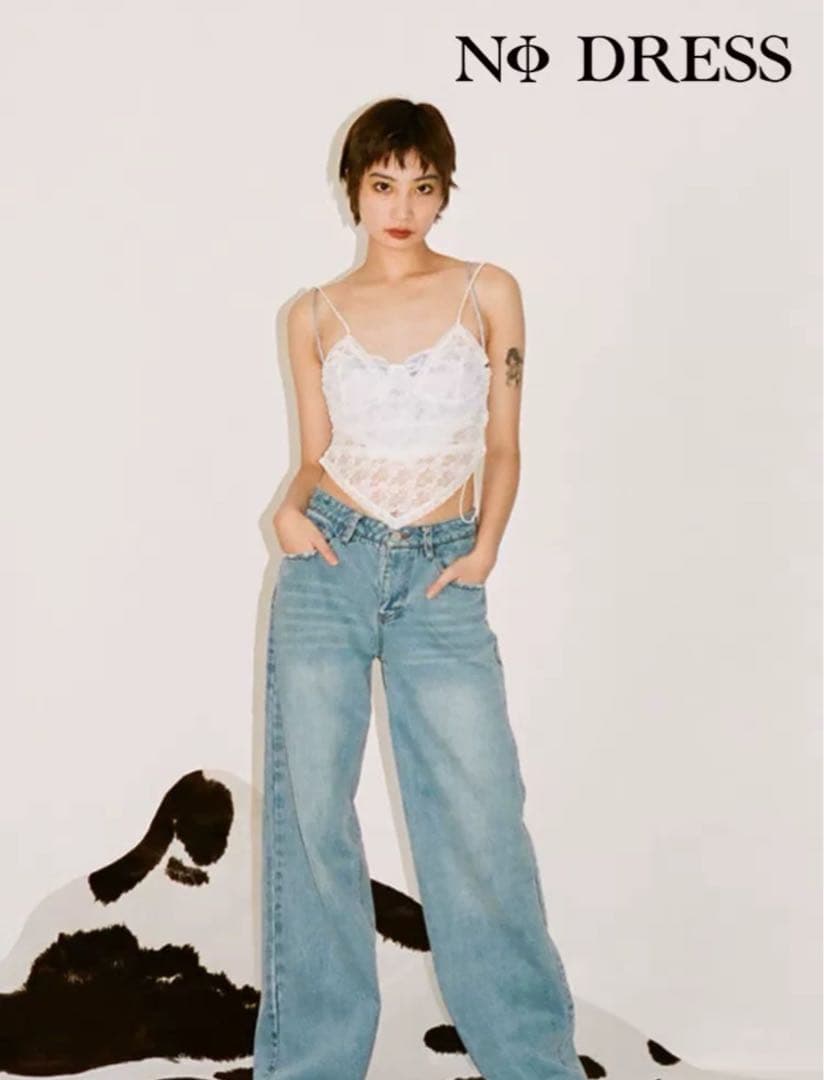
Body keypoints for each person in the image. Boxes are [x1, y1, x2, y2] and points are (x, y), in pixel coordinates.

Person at [253, 98, 586, 1080]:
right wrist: (287, 512)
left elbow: (503, 444)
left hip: (443, 569)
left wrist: (483, 552)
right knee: (311, 820)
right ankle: (311, 1065)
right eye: (382, 184)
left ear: (444, 193)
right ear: (353, 191)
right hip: (327, 566)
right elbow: (314, 455)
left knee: (479, 820)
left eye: (422, 186)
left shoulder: (488, 291)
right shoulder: (311, 313)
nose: (401, 207)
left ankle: (530, 1061)